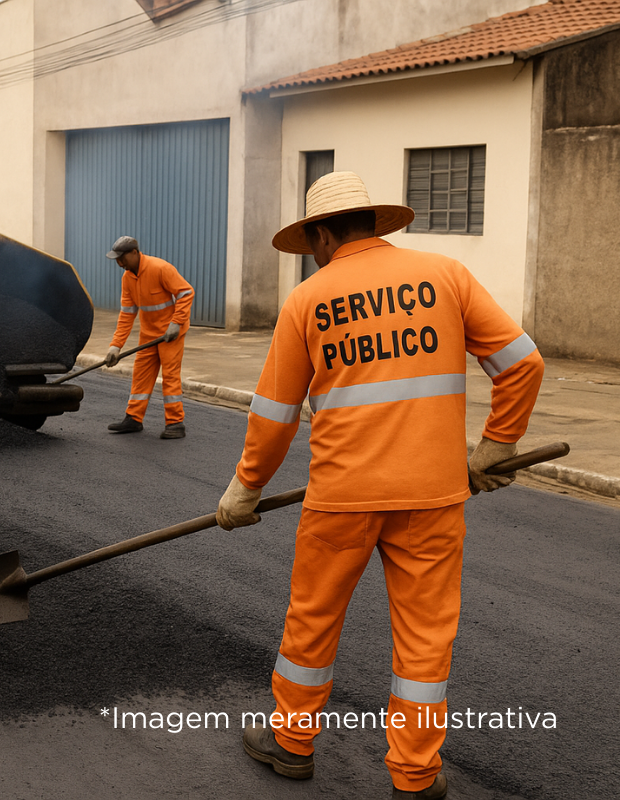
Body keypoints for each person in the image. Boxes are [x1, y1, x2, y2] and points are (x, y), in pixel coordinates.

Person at [217, 171, 544, 799]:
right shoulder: (445, 276)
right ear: (376, 223)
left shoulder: (309, 299)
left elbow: (275, 414)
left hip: (341, 497)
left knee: (312, 623)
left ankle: (290, 743)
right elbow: (522, 361)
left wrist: (246, 489)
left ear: (320, 234)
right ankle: (415, 777)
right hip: (433, 497)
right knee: (425, 639)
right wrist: (496, 445)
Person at [102, 235, 194, 439]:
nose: (119, 263)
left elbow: (186, 293)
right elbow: (127, 314)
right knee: (141, 374)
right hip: (149, 334)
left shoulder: (160, 268)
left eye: (122, 258)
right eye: (116, 259)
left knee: (169, 376)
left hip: (171, 334)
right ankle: (134, 419)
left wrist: (176, 323)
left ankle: (175, 423)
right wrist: (115, 346)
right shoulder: (127, 278)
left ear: (135, 253)